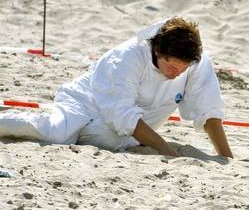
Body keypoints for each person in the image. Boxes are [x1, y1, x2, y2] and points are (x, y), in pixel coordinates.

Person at [0, 17, 233, 158]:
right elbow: (121, 113)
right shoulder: (127, 57)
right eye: (171, 67)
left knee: (110, 139)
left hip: (129, 132)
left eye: (182, 70)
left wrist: (226, 158)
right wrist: (166, 150)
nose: (176, 74)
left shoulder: (196, 62)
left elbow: (209, 110)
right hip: (85, 103)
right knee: (57, 133)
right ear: (158, 51)